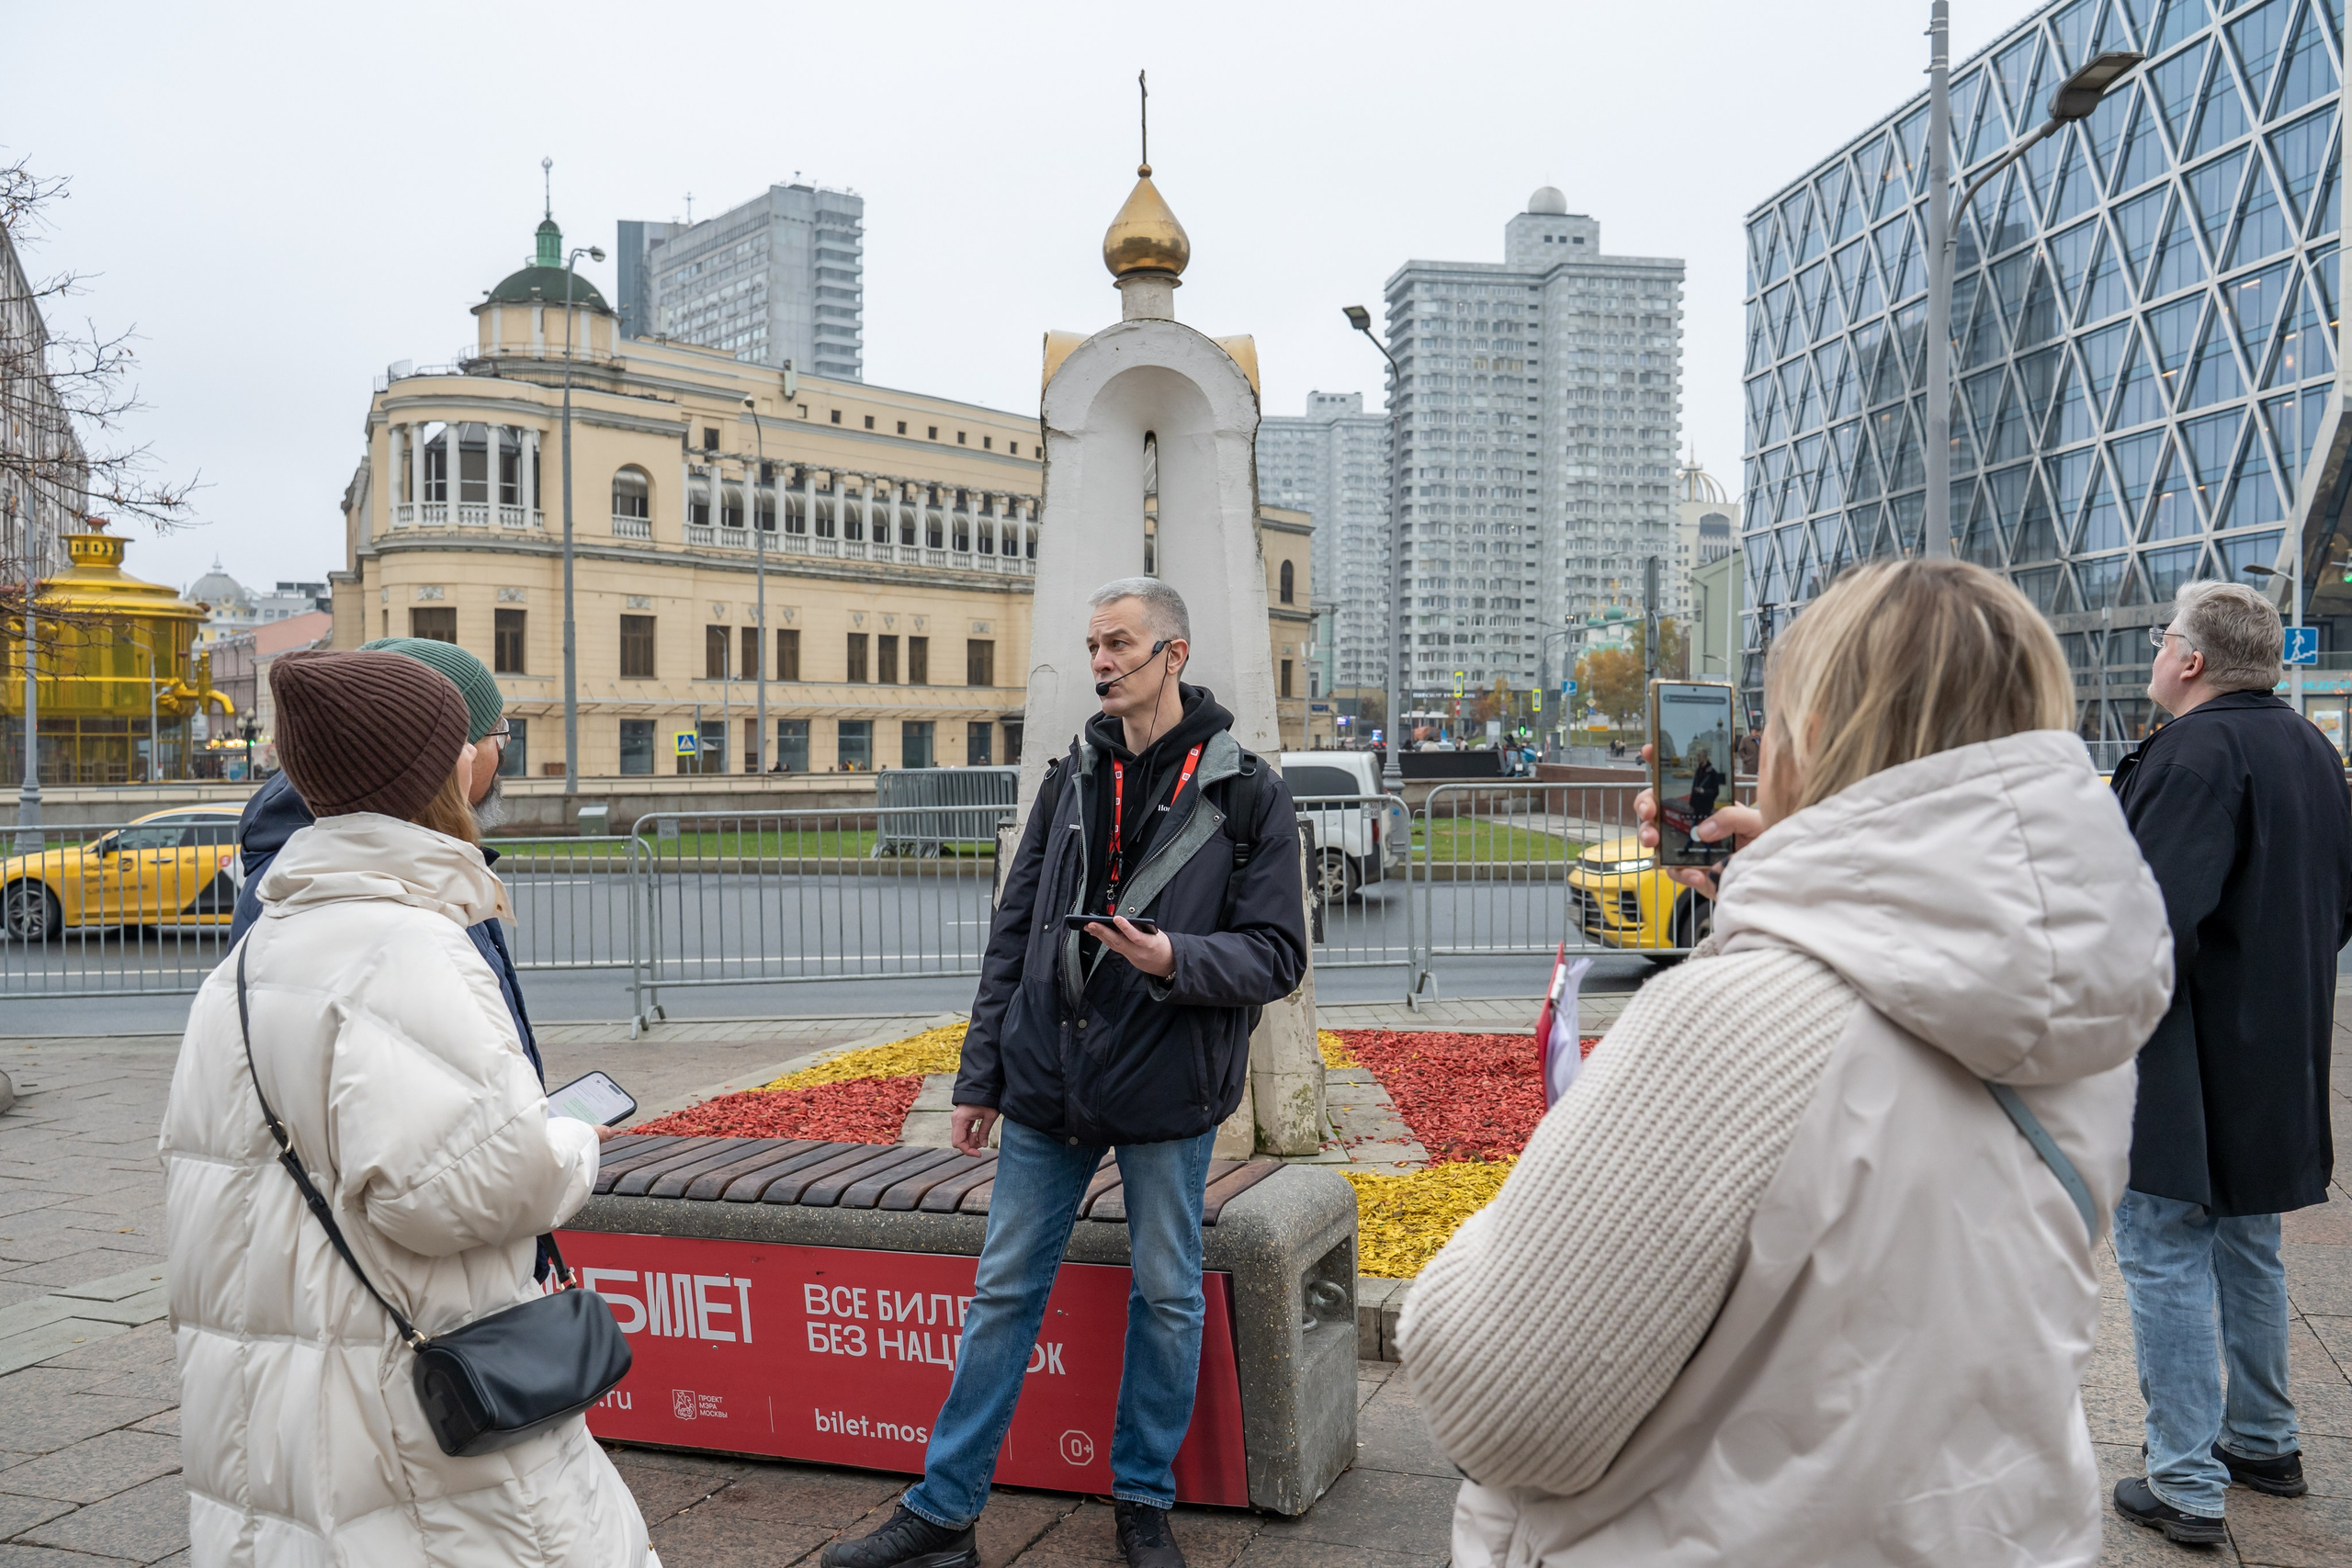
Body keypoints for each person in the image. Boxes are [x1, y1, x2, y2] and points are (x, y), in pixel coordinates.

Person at [1399, 558, 2174, 1565]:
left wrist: (1497, 1237)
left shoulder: (1729, 1029)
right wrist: (1786, 872)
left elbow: (1493, 1402)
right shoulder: (2065, 1010)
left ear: (1810, 737)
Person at [823, 578, 1308, 1568]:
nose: (1100, 662)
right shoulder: (1071, 772)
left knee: (1167, 1292)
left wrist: (1174, 959)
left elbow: (1276, 953)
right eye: (1092, 645)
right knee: (1004, 1289)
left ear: (1174, 653)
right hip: (1049, 1076)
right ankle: (944, 1513)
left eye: (1119, 644)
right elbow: (1014, 931)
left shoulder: (1245, 790)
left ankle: (1141, 1501)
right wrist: (980, 1076)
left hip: (1169, 1085)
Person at [160, 649, 650, 1567]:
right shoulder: (407, 945)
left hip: (278, 1404)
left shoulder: (248, 961)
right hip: (401, 1417)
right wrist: (571, 1143)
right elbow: (459, 1189)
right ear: (440, 768)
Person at [2104, 581, 2352, 1543]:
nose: (2157, 654)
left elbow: (2147, 923)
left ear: (2192, 660)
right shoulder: (2309, 748)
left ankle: (2182, 1480)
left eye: (2166, 640)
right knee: (2248, 1245)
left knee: (2161, 1245)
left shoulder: (2194, 754)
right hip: (2278, 1043)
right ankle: (2261, 1438)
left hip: (2185, 1055)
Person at [231, 637, 539, 1077]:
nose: (498, 749)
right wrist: (565, 1140)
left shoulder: (386, 869)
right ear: (435, 761)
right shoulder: (396, 921)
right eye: (491, 733)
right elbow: (465, 1126)